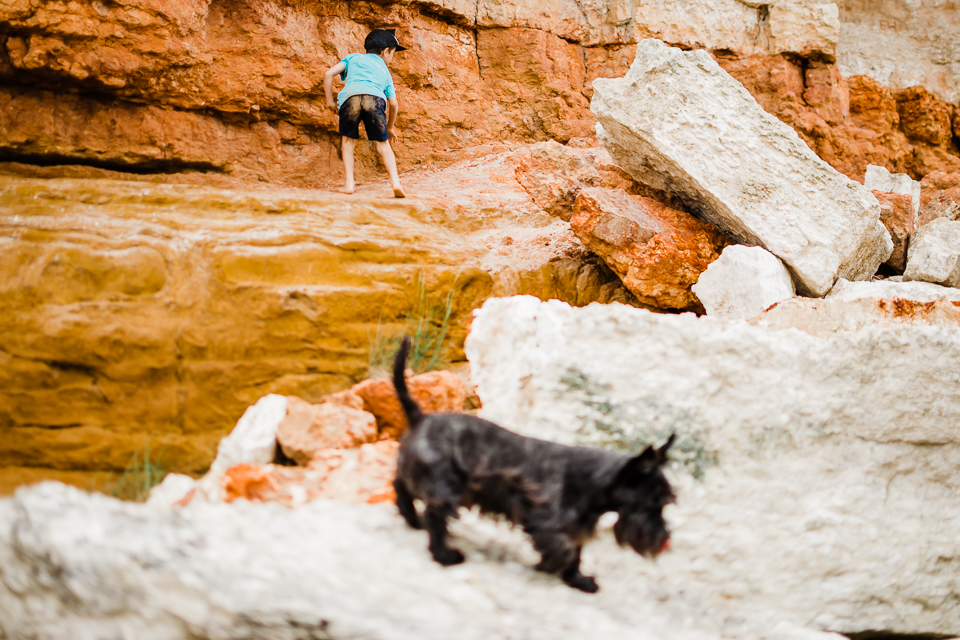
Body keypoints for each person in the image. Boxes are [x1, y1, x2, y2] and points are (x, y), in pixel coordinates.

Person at [324, 29, 407, 198]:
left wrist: (330, 101)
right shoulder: (385, 72)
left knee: (348, 141)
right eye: (393, 53)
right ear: (385, 51)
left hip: (350, 98)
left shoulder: (353, 57)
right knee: (383, 144)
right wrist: (390, 127)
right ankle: (396, 183)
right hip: (374, 100)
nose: (392, 57)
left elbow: (328, 74)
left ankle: (349, 184)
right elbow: (394, 103)